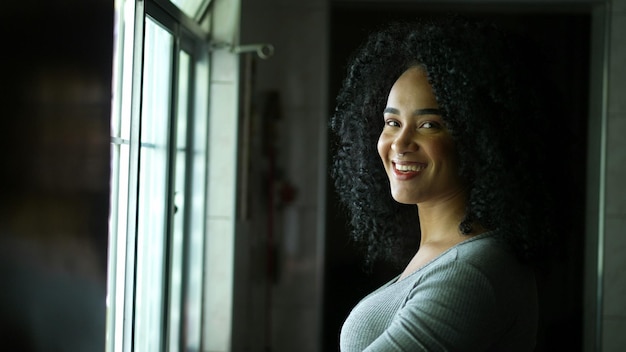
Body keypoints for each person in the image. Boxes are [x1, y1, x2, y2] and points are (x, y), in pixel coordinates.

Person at [330, 16, 554, 351]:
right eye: (392, 122)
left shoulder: (472, 271)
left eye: (429, 124)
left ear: (480, 139)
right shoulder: (445, 256)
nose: (399, 143)